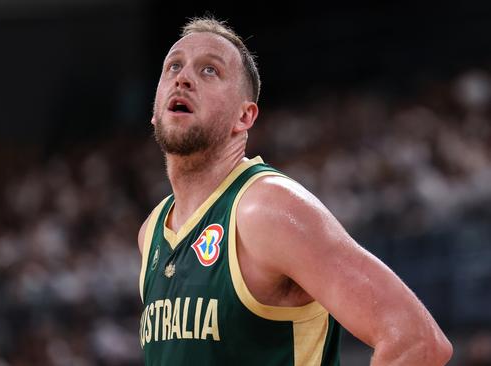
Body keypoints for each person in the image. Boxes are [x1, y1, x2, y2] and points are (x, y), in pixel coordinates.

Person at [137, 16, 453, 366]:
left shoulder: (266, 209)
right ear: (154, 110)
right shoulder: (151, 232)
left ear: (244, 117)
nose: (183, 78)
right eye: (173, 67)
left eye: (209, 70)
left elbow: (416, 341)